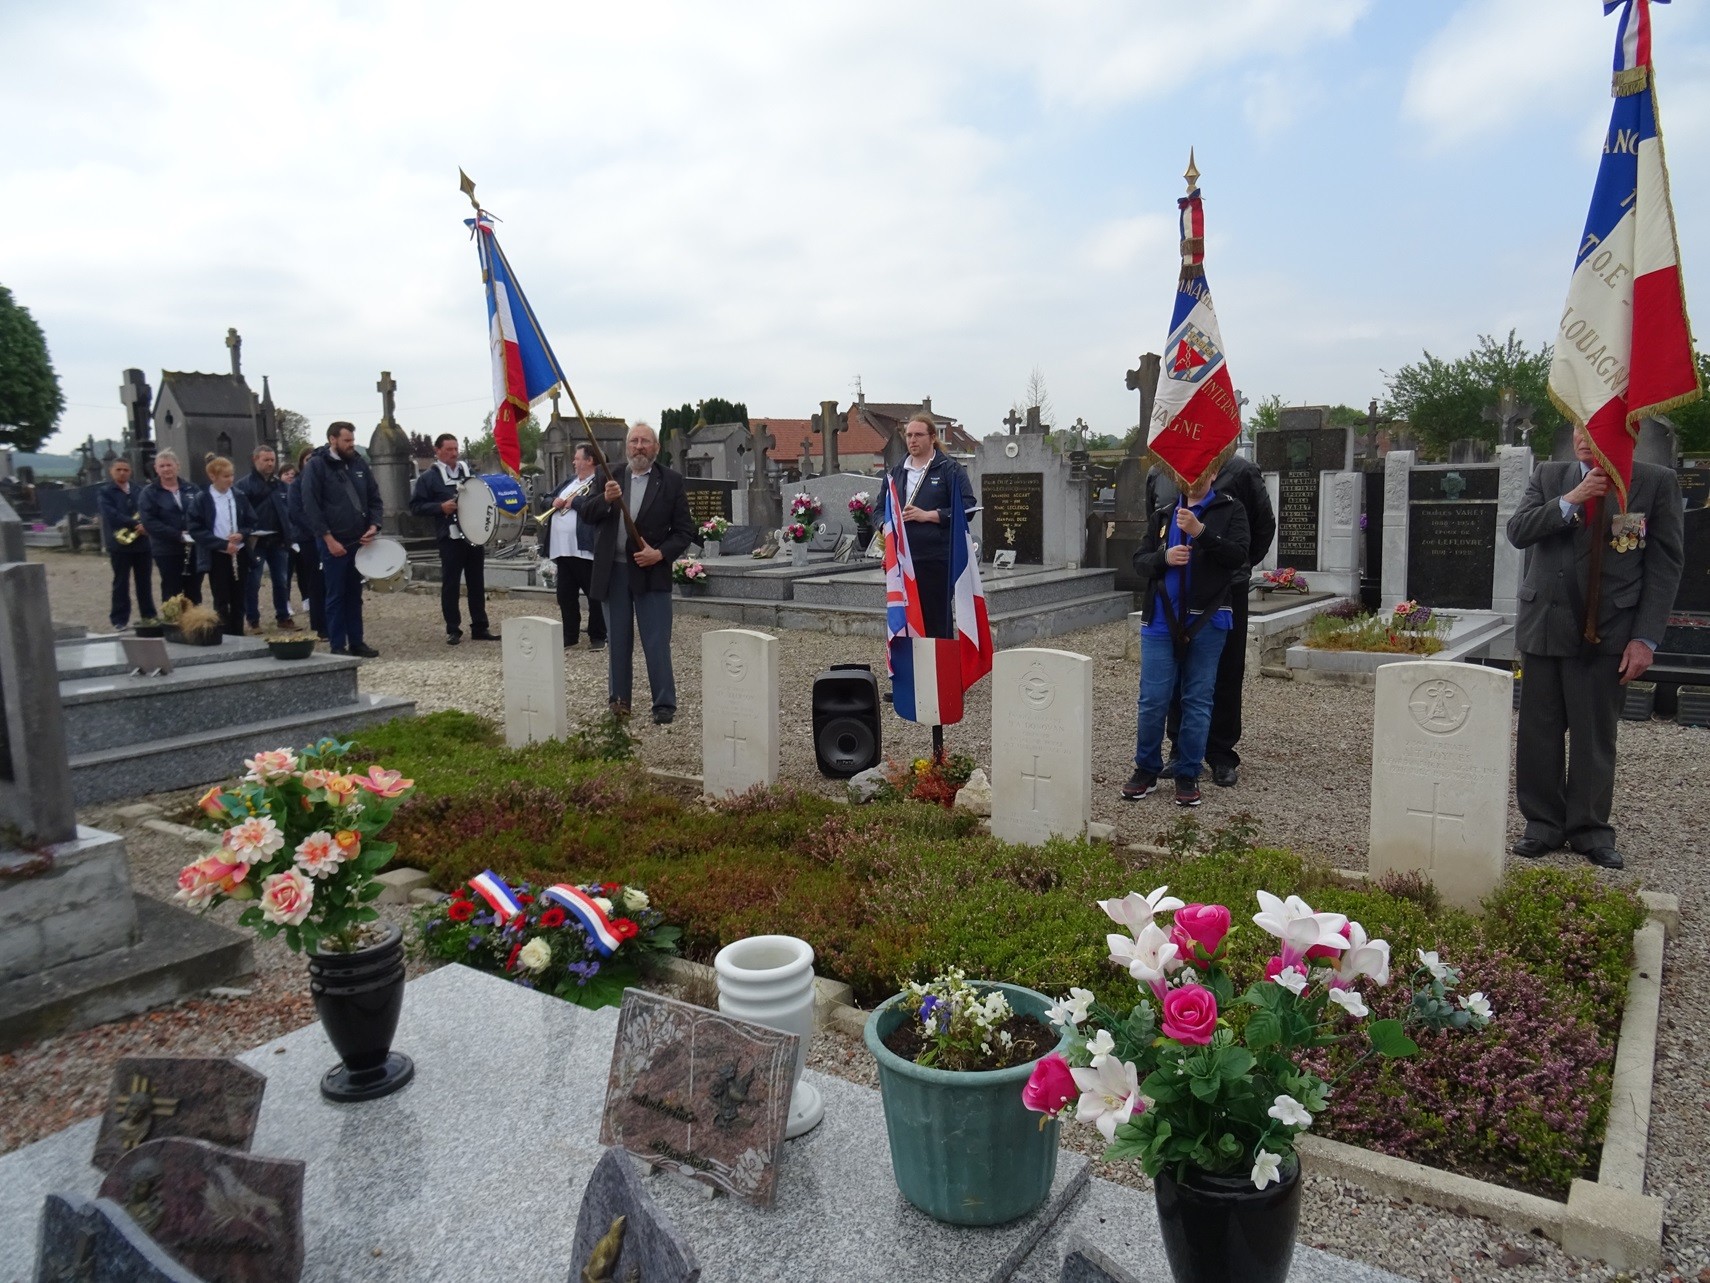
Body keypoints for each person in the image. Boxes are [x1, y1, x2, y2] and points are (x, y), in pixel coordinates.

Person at [1506, 425, 1685, 871]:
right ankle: (1542, 825)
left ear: (1627, 432)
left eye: (1596, 429)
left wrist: (1645, 639)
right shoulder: (1550, 476)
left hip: (1609, 629)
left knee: (1593, 736)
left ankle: (1589, 829)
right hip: (1546, 622)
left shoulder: (1654, 482)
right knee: (1538, 734)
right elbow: (1518, 531)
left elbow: (1664, 565)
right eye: (1578, 429)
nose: (1584, 439)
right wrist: (1574, 498)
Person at [1126, 467, 1251, 808]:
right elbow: (1140, 562)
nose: (1195, 479)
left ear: (1213, 474)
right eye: (1188, 473)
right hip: (1161, 620)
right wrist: (1164, 558)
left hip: (1208, 621)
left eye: (1202, 472)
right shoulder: (1164, 514)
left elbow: (1238, 557)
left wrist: (1201, 533)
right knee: (1152, 699)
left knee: (1197, 699)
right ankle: (1147, 769)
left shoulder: (1230, 509)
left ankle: (1188, 771)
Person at [1163, 451, 1276, 787]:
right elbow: (1156, 524)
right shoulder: (1161, 472)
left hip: (1224, 592)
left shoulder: (1240, 471)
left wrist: (1237, 569)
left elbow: (1262, 525)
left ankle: (1221, 753)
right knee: (1176, 670)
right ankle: (1179, 749)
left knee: (1225, 671)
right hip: (1176, 592)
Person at [576, 423, 694, 723]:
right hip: (612, 572)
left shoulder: (670, 481)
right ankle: (619, 701)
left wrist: (660, 553)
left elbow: (684, 531)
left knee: (655, 641)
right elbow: (586, 513)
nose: (639, 446)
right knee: (618, 640)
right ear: (626, 446)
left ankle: (664, 705)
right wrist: (605, 499)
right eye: (634, 441)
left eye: (645, 441)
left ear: (655, 448)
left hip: (650, 571)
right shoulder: (609, 475)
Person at [885, 412, 977, 638]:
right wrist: (886, 532)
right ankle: (913, 670)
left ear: (933, 437)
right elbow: (880, 510)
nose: (912, 440)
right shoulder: (896, 472)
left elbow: (968, 507)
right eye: (908, 435)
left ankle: (940, 670)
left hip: (936, 558)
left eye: (918, 435)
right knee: (906, 623)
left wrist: (928, 515)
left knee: (936, 621)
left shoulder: (950, 469)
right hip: (904, 560)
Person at [301, 421, 383, 658]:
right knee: (335, 594)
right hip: (334, 542)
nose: (351, 445)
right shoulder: (317, 466)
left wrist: (374, 525)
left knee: (354, 595)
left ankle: (357, 641)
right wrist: (327, 539)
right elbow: (311, 505)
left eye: (352, 440)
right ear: (332, 439)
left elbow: (374, 498)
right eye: (346, 440)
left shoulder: (359, 464)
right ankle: (338, 644)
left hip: (359, 541)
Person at [409, 434, 495, 645]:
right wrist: (440, 507)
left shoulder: (469, 472)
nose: (454, 453)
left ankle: (480, 626)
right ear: (437, 451)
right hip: (449, 537)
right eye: (448, 449)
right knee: (451, 584)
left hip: (473, 535)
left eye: (455, 449)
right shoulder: (429, 477)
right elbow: (415, 507)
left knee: (477, 582)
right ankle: (453, 628)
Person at [541, 442, 606, 650]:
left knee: (593, 594)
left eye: (577, 458)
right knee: (565, 595)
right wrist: (553, 502)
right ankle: (570, 635)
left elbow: (598, 506)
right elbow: (546, 498)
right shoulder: (569, 482)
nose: (574, 462)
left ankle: (598, 635)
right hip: (562, 549)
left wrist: (575, 502)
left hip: (584, 549)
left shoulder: (600, 481)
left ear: (590, 460)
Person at [188, 456, 256, 637]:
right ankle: (224, 634)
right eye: (225, 476)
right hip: (218, 554)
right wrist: (221, 544)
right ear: (213, 476)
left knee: (239, 597)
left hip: (238, 551)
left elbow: (251, 520)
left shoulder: (238, 496)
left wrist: (242, 533)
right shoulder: (202, 499)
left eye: (231, 475)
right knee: (222, 598)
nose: (230, 479)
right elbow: (195, 528)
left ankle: (238, 632)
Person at [236, 445, 298, 632]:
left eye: (272, 460)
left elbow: (288, 511)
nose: (270, 463)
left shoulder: (281, 485)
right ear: (255, 460)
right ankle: (253, 620)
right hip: (255, 541)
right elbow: (240, 514)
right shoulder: (243, 486)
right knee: (253, 581)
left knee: (281, 580)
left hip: (278, 540)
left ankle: (283, 616)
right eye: (266, 460)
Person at [138, 450, 202, 605]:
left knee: (194, 588)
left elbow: (204, 512)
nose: (166, 469)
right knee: (172, 589)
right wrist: (177, 534)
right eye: (162, 466)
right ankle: (173, 624)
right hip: (166, 550)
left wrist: (196, 531)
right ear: (156, 469)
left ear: (177, 467)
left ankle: (194, 622)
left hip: (193, 549)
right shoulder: (149, 493)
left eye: (169, 465)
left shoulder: (192, 489)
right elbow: (149, 521)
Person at [97, 458, 155, 630]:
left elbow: (148, 509)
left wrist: (146, 525)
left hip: (142, 544)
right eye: (118, 469)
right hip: (119, 543)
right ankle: (119, 619)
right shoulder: (105, 491)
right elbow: (110, 514)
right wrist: (134, 524)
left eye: (125, 470)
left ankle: (149, 616)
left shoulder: (140, 490)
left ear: (130, 472)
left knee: (144, 582)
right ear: (111, 471)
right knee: (121, 582)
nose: (122, 473)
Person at [285, 446, 326, 639]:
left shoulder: (324, 480)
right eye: (307, 459)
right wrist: (317, 530)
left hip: (327, 535)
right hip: (309, 538)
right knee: (315, 580)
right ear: (302, 462)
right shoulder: (297, 484)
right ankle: (320, 623)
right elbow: (296, 513)